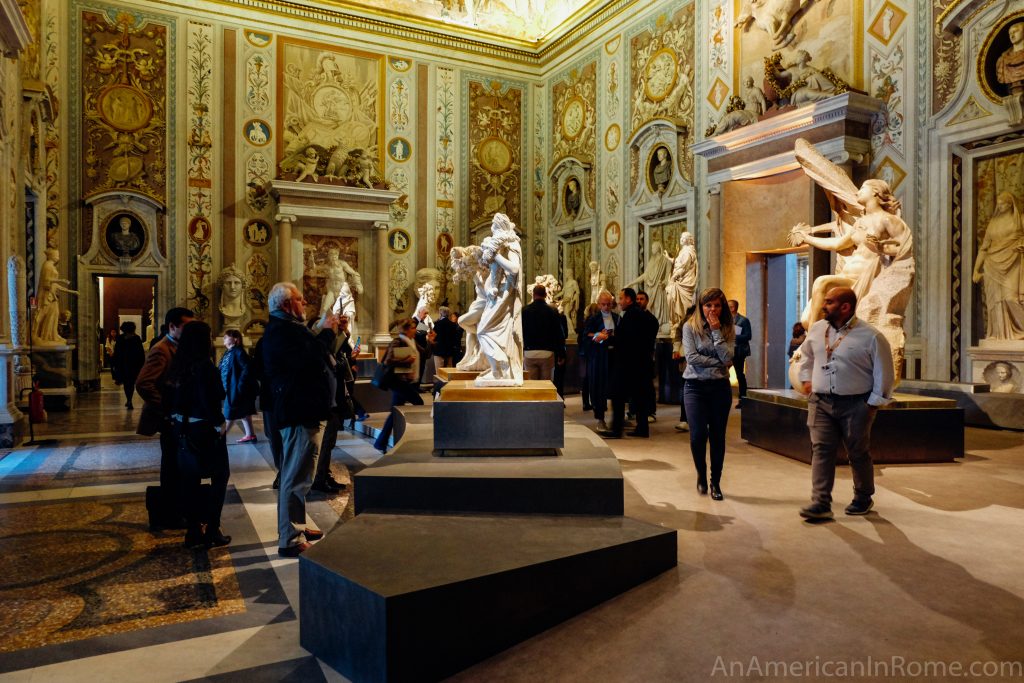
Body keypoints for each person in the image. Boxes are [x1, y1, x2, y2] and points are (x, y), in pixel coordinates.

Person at [796, 286, 894, 520]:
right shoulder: (818, 329)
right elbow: (807, 356)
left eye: (829, 302)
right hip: (820, 403)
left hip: (856, 404)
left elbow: (884, 373)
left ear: (845, 307)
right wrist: (806, 381)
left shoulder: (871, 336)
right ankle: (820, 502)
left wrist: (871, 404)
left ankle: (863, 497)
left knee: (857, 452)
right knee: (821, 450)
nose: (822, 306)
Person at [261, 282, 335, 557]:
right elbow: (311, 360)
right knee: (294, 477)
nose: (305, 303)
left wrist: (327, 333)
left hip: (304, 409)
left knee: (302, 475)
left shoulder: (289, 330)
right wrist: (326, 333)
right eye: (300, 299)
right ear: (285, 304)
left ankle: (297, 527)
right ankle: (290, 538)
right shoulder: (282, 332)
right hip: (298, 410)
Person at [164, 321, 231, 549]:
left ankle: (193, 530)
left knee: (189, 481)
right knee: (219, 477)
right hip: (204, 430)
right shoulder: (205, 366)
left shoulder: (177, 364)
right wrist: (219, 424)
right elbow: (212, 398)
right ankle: (212, 528)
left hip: (182, 429)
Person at [136, 307, 195, 530]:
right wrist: (167, 408)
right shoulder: (162, 349)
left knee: (178, 466)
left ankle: (178, 510)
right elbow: (143, 383)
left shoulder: (178, 347)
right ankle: (170, 514)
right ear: (172, 326)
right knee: (171, 467)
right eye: (186, 327)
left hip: (179, 419)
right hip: (168, 419)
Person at [682, 288, 735, 501]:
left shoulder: (728, 328)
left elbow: (729, 355)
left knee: (717, 437)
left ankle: (716, 482)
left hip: (720, 388)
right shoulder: (689, 327)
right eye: (708, 305)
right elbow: (692, 358)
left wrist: (715, 331)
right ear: (701, 307)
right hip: (694, 387)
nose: (712, 309)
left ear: (722, 308)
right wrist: (720, 362)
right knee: (697, 436)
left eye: (717, 305)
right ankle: (701, 475)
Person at [600, 288, 659, 438]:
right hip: (640, 363)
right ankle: (642, 428)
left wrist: (608, 339)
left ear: (628, 299)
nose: (618, 302)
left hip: (629, 363)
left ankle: (616, 429)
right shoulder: (641, 315)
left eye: (621, 298)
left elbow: (626, 340)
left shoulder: (632, 316)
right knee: (639, 397)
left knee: (618, 396)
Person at [972, 192, 1024, 340]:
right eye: (998, 204)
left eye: (1004, 204)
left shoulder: (1020, 220)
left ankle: (1020, 332)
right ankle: (998, 334)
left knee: (1011, 299)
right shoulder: (993, 223)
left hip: (1013, 264)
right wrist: (976, 269)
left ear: (1011, 204)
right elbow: (984, 248)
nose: (1000, 207)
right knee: (995, 303)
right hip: (992, 265)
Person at [374, 319, 427, 453]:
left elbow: (425, 354)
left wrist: (431, 342)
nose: (415, 330)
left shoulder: (412, 342)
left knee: (395, 411)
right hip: (398, 381)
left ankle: (381, 442)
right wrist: (406, 361)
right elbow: (388, 360)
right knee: (418, 402)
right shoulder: (398, 341)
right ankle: (410, 435)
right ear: (406, 329)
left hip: (405, 381)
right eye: (413, 328)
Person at [583, 291, 619, 431]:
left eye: (609, 304)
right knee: (599, 387)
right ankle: (600, 418)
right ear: (598, 304)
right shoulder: (593, 319)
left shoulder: (616, 318)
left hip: (614, 356)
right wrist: (599, 335)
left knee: (615, 386)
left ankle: (618, 419)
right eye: (603, 304)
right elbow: (586, 336)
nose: (606, 307)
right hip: (599, 357)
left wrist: (610, 336)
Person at [522, 284, 566, 384]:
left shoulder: (524, 311)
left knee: (532, 385)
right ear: (546, 295)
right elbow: (559, 333)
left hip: (529, 353)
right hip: (547, 353)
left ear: (533, 295)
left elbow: (519, 332)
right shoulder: (553, 311)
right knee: (547, 385)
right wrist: (561, 354)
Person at [220, 329, 257, 443]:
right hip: (231, 387)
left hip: (236, 388)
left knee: (229, 413)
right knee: (244, 411)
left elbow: (247, 368)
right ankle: (250, 435)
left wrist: (240, 385)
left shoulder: (238, 352)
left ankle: (220, 438)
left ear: (235, 339)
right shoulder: (228, 352)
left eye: (226, 337)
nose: (224, 339)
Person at [111, 321, 145, 409]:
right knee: (132, 382)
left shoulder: (120, 338)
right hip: (134, 364)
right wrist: (142, 364)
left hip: (124, 364)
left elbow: (117, 353)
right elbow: (141, 353)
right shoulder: (137, 338)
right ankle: (129, 399)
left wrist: (115, 364)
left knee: (127, 383)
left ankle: (129, 399)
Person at [729, 300, 752, 408]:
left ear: (734, 307)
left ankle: (743, 400)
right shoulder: (725, 321)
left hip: (738, 351)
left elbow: (748, 336)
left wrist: (734, 336)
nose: (728, 308)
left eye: (730, 306)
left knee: (739, 375)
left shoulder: (743, 320)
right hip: (727, 351)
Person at [578, 302, 600, 411]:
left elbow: (580, 339)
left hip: (582, 352)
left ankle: (586, 402)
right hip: (592, 352)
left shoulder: (584, 322)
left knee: (585, 378)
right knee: (593, 378)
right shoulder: (596, 322)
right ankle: (594, 401)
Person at [430, 305, 462, 376]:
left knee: (439, 374)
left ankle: (440, 386)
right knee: (448, 373)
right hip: (449, 352)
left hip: (439, 351)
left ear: (440, 314)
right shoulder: (453, 325)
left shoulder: (437, 324)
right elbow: (456, 338)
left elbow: (432, 334)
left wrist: (420, 325)